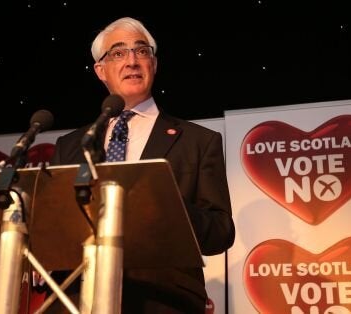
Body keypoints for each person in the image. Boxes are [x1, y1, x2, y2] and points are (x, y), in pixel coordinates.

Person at [48, 17, 235, 313]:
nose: (132, 61)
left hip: (162, 299)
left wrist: (170, 205)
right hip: (78, 296)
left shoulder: (198, 141)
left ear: (154, 64)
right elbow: (52, 226)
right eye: (118, 53)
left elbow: (221, 232)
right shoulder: (70, 146)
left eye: (142, 51)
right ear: (101, 70)